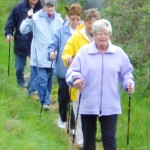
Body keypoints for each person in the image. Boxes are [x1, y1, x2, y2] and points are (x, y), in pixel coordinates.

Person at [66, 19, 135, 150]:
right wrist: (76, 79)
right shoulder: (84, 53)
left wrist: (128, 84)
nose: (103, 37)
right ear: (94, 35)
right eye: (99, 33)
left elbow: (127, 73)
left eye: (106, 33)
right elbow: (73, 71)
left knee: (109, 139)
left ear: (109, 35)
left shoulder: (118, 53)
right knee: (89, 140)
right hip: (88, 103)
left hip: (110, 104)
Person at [62, 8, 100, 148]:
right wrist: (69, 60)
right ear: (86, 22)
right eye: (89, 22)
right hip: (78, 83)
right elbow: (65, 53)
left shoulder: (103, 37)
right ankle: (80, 142)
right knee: (78, 112)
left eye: (94, 23)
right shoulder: (77, 36)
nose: (91, 26)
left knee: (91, 117)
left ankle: (89, 140)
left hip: (96, 85)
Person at [49, 3, 83, 147]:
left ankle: (75, 125)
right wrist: (52, 52)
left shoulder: (83, 32)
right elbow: (53, 44)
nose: (74, 21)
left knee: (76, 100)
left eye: (77, 19)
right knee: (64, 97)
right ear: (68, 17)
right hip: (63, 70)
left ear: (80, 18)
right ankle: (63, 118)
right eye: (72, 18)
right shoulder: (61, 30)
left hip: (79, 73)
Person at [20, 0, 63, 110]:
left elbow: (64, 32)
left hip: (53, 56)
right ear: (44, 6)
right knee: (42, 80)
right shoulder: (36, 17)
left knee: (49, 82)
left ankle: (35, 93)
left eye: (52, 6)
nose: (50, 9)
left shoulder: (58, 19)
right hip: (39, 55)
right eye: (48, 6)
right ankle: (45, 103)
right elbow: (23, 30)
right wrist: (29, 19)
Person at [5, 0, 42, 88]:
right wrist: (9, 33)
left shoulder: (41, 9)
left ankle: (32, 87)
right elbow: (11, 22)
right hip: (20, 42)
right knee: (19, 68)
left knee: (36, 67)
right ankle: (20, 84)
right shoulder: (19, 7)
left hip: (36, 43)